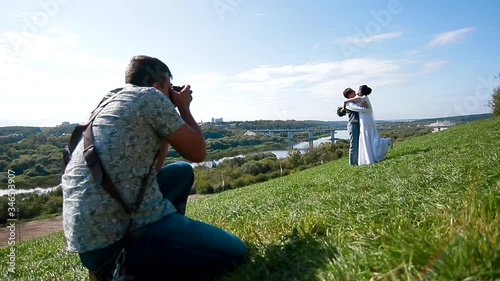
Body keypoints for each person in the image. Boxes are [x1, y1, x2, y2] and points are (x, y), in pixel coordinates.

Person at [61, 55, 247, 280]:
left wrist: (166, 122)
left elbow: (153, 171)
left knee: (180, 171)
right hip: (113, 240)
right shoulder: (150, 95)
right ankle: (133, 262)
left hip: (89, 244)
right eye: (170, 86)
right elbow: (198, 153)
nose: (172, 93)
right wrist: (183, 108)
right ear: (157, 84)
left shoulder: (110, 100)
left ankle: (158, 249)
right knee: (237, 251)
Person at [344, 85, 391, 165]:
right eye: (353, 91)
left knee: (365, 139)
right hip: (356, 124)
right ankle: (354, 162)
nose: (355, 91)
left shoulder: (359, 100)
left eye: (357, 90)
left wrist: (345, 102)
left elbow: (362, 105)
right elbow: (359, 108)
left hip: (363, 121)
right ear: (349, 94)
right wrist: (346, 102)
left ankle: (364, 158)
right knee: (356, 143)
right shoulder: (350, 104)